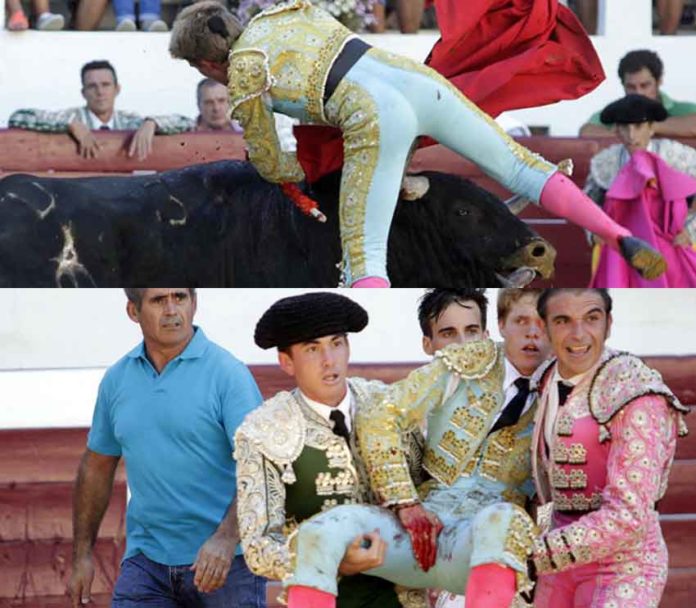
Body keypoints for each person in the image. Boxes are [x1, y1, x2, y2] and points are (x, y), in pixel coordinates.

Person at [169, 0, 666, 287]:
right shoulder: (287, 12)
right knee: (521, 165)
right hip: (417, 81)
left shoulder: (243, 71)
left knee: (364, 255)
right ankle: (618, 235)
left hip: (370, 117)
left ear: (206, 64)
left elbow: (265, 154)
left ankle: (372, 331)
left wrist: (295, 174)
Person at [282, 288, 550, 608]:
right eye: (522, 321)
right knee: (318, 533)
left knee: (502, 522)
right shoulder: (468, 361)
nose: (533, 333)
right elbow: (380, 413)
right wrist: (405, 502)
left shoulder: (569, 384)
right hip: (422, 530)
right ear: (502, 326)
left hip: (485, 544)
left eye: (543, 324)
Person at [67, 288, 266, 608]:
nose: (172, 310)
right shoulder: (117, 379)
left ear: (195, 303)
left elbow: (262, 463)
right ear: (133, 311)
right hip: (147, 561)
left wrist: (227, 539)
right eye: (159, 300)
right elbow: (97, 465)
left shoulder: (228, 374)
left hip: (226, 563)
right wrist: (82, 556)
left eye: (180, 297)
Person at [234, 291, 428, 608]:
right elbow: (259, 549)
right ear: (286, 362)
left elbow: (428, 492)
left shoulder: (389, 407)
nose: (329, 360)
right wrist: (335, 561)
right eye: (313, 349)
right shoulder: (263, 431)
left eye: (337, 343)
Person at [529, 288, 689, 608]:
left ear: (608, 324)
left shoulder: (635, 389)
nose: (578, 334)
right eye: (563, 320)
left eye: (591, 319)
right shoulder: (544, 379)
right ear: (544, 328)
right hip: (557, 564)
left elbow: (629, 515)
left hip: (624, 564)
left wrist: (537, 553)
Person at [584, 94, 696, 287]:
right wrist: (594, 232)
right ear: (617, 131)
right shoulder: (605, 162)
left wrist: (691, 231)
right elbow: (586, 205)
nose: (631, 135)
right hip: (624, 248)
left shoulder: (677, 156)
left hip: (673, 244)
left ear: (652, 127)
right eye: (625, 127)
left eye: (638, 126)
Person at [8, 60, 195, 161]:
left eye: (105, 85)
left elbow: (188, 123)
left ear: (117, 89)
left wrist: (153, 123)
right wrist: (69, 124)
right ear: (83, 92)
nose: (100, 92)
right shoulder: (73, 117)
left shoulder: (130, 121)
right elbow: (18, 117)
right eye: (92, 86)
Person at [579, 49, 696, 138]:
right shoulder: (614, 112)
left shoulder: (684, 109)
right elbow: (586, 132)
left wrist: (647, 127)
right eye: (631, 87)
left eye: (645, 85)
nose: (638, 92)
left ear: (659, 81)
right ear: (623, 85)